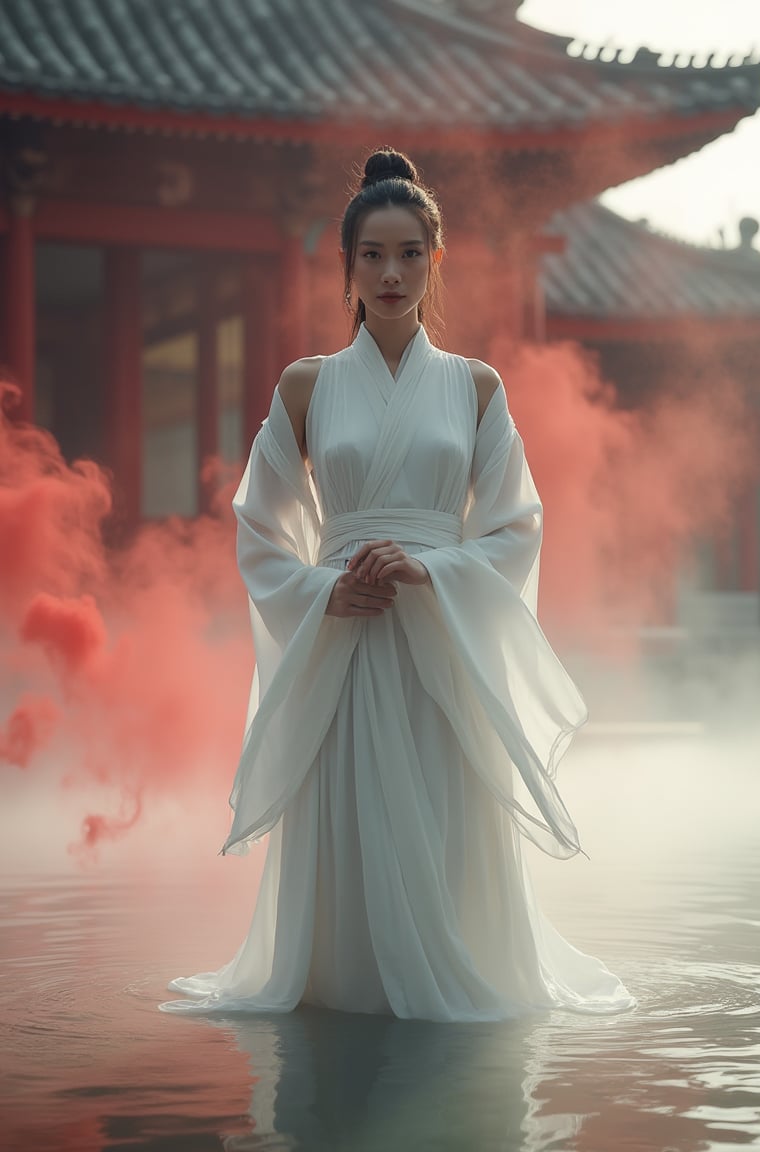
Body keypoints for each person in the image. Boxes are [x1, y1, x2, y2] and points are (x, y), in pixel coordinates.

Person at [160, 148, 634, 1022]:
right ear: (347, 264)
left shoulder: (475, 388)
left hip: (437, 635)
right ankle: (343, 985)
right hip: (344, 630)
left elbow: (516, 524)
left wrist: (432, 568)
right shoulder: (306, 386)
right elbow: (260, 523)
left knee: (440, 806)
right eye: (372, 254)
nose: (390, 272)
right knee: (350, 815)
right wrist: (319, 593)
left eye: (410, 252)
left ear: (435, 260)